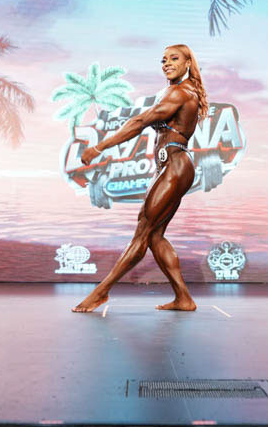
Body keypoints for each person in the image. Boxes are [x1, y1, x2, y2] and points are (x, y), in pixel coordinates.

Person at [71, 43, 208, 312]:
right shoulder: (181, 91)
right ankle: (183, 298)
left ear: (188, 63)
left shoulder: (180, 92)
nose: (167, 64)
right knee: (155, 236)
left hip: (175, 166)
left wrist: (99, 148)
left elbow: (139, 122)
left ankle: (100, 292)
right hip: (174, 166)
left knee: (143, 232)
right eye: (164, 60)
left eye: (174, 59)